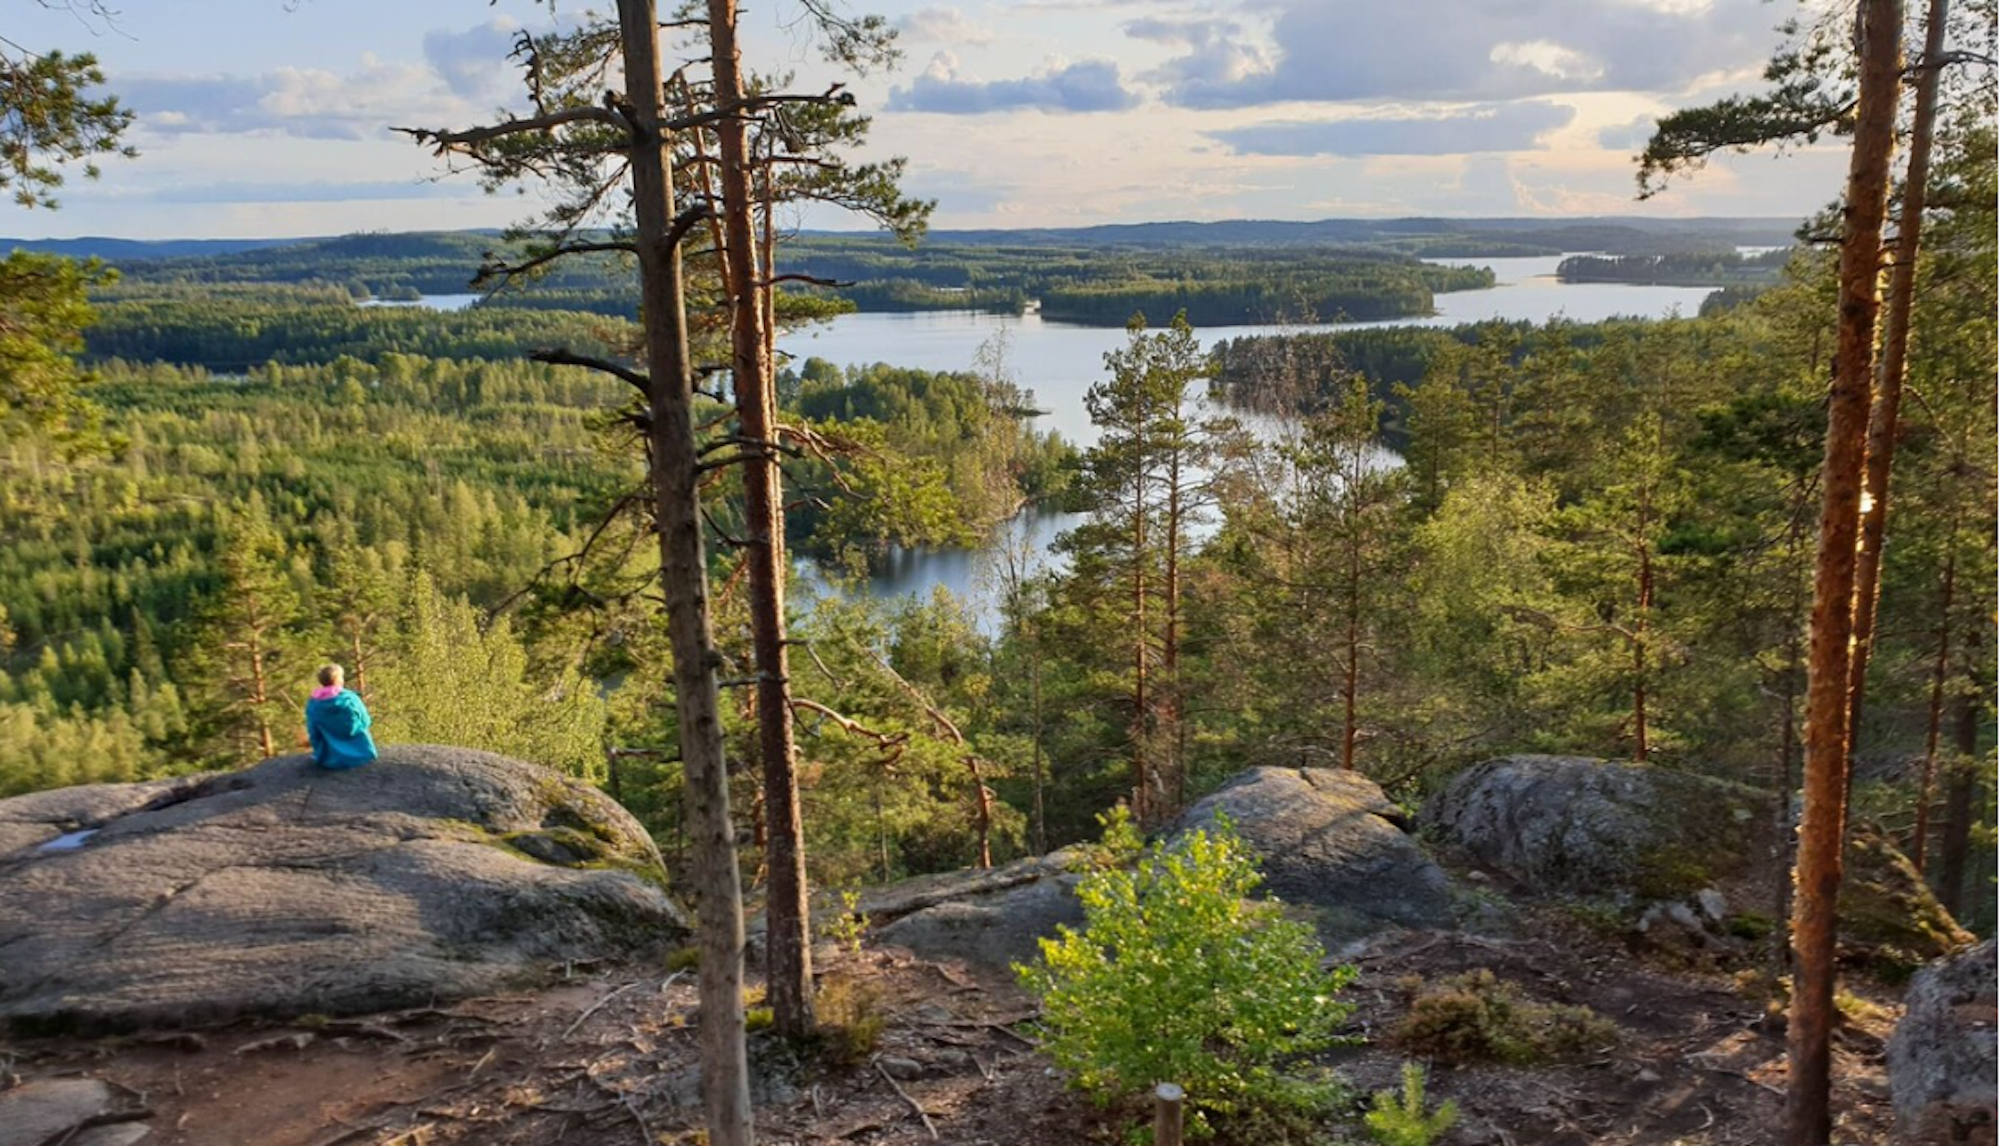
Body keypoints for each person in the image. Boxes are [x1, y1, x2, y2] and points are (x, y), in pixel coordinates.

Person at [305, 663, 378, 769]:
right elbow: (365, 721)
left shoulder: (313, 703)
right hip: (362, 755)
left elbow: (313, 731)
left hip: (328, 759)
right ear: (338, 680)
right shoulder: (350, 699)